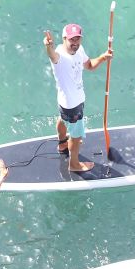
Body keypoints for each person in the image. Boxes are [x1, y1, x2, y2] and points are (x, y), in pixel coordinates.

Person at [43, 23, 113, 172]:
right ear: (64, 39)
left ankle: (62, 143)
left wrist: (102, 57)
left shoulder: (79, 50)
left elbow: (89, 65)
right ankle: (74, 165)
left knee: (62, 119)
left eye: (77, 39)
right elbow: (52, 55)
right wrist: (48, 46)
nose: (75, 42)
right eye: (71, 39)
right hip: (72, 105)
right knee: (76, 137)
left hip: (65, 102)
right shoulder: (59, 56)